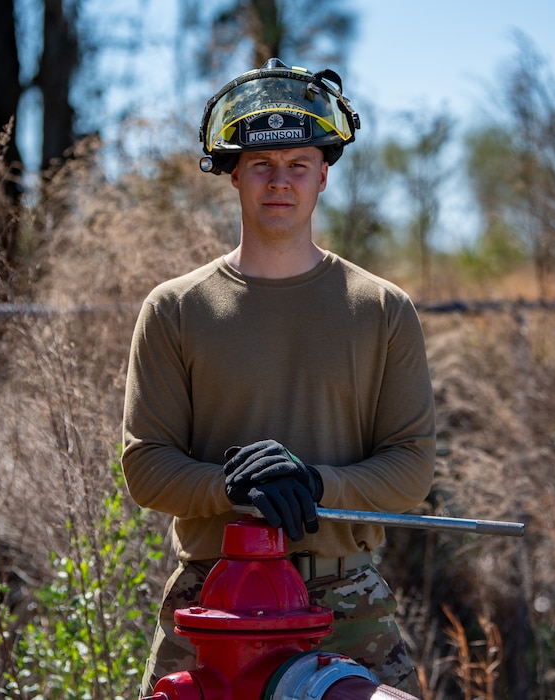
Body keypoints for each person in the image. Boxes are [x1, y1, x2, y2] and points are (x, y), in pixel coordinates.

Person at [121, 58, 436, 697]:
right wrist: (233, 488)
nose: (279, 182)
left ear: (325, 173)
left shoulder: (382, 308)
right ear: (233, 172)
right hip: (213, 596)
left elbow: (411, 469)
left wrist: (316, 485)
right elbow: (145, 467)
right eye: (262, 165)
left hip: (345, 604)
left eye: (298, 164)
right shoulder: (175, 308)